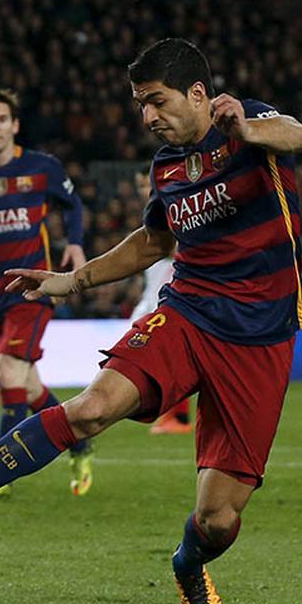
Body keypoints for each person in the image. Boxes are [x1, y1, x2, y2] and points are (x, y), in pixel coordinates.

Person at [0, 39, 302, 604]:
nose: (147, 116)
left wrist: (252, 131)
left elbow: (297, 135)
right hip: (188, 312)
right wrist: (72, 281)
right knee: (91, 408)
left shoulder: (249, 123)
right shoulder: (165, 168)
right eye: (140, 106)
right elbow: (157, 242)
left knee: (219, 519)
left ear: (199, 94)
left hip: (260, 339)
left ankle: (187, 564)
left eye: (156, 101)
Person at [0, 84, 94, 496]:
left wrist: (75, 242)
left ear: (15, 125)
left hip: (31, 290)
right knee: (26, 387)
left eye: (2, 119)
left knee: (9, 370)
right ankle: (79, 441)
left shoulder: (42, 168)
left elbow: (73, 205)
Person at [128, 168, 191, 435]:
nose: (144, 190)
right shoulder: (150, 218)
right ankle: (169, 412)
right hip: (151, 300)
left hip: (170, 301)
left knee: (167, 359)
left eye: (147, 183)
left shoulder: (172, 214)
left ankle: (178, 416)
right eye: (140, 185)